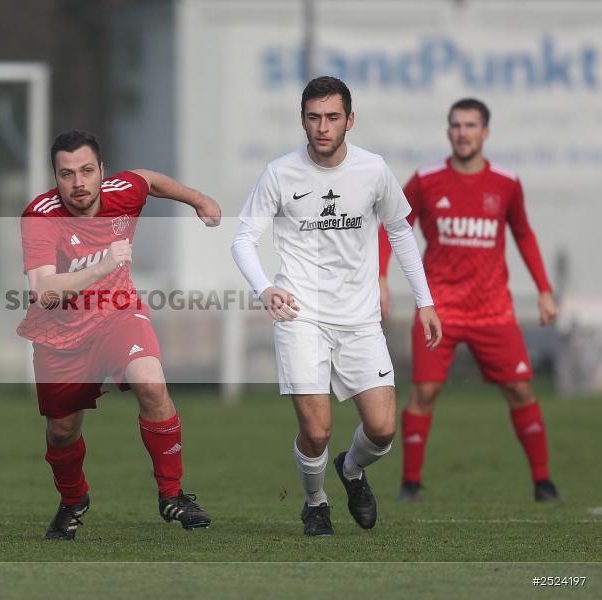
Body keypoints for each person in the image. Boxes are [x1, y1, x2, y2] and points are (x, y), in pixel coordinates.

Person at [231, 76, 442, 537]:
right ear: (302, 120)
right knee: (317, 431)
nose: (322, 127)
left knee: (382, 429)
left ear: (350, 119)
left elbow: (400, 231)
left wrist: (425, 301)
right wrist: (265, 289)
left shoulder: (373, 169)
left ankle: (351, 470)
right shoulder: (279, 173)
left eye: (332, 117)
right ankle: (315, 503)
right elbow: (243, 239)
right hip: (300, 316)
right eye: (313, 117)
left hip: (360, 319)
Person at [18, 129, 222, 540]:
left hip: (117, 314)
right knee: (62, 432)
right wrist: (104, 266)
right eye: (67, 174)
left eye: (86, 171)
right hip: (60, 336)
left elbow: (150, 180)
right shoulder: (40, 216)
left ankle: (172, 495)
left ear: (102, 171)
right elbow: (44, 290)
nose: (78, 182)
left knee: (151, 382)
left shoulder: (123, 191)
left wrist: (199, 199)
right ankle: (73, 499)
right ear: (55, 178)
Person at [378, 98, 563, 503]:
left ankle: (543, 481)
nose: (463, 133)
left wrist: (544, 289)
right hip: (439, 309)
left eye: (471, 125)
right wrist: (381, 277)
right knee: (424, 392)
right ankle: (410, 483)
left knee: (520, 390)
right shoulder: (426, 180)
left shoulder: (506, 183)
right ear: (449, 132)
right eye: (456, 125)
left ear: (485, 132)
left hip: (493, 309)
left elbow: (524, 233)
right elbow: (393, 226)